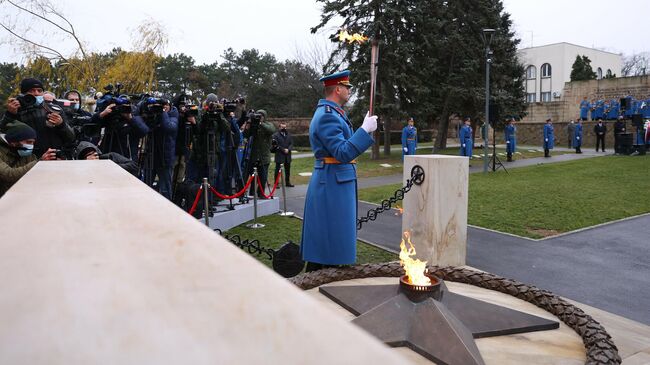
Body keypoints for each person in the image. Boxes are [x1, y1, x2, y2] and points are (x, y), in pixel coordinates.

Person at [300, 70, 377, 272]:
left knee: (332, 239)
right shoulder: (328, 117)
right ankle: (318, 282)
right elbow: (342, 152)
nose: (349, 91)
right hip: (332, 182)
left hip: (336, 181)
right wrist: (364, 131)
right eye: (347, 87)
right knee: (328, 240)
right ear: (337, 89)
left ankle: (324, 276)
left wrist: (362, 129)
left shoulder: (333, 114)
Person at [1, 78, 75, 157]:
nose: (36, 93)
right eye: (31, 91)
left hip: (54, 157)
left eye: (39, 91)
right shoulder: (16, 110)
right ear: (23, 94)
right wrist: (10, 114)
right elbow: (4, 134)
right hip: (28, 160)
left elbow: (71, 138)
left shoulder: (55, 109)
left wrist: (61, 124)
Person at [134, 97, 179, 200]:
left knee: (165, 189)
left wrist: (162, 113)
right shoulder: (152, 115)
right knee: (146, 186)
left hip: (165, 158)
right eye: (161, 106)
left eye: (165, 106)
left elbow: (168, 127)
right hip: (150, 156)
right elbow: (142, 127)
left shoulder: (173, 116)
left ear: (170, 106)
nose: (164, 108)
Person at [0, 121, 57, 197]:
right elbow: (9, 175)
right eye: (28, 142)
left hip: (20, 196)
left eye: (33, 143)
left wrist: (51, 165)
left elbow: (36, 178)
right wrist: (39, 163)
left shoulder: (27, 154)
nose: (31, 146)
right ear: (14, 141)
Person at [242, 109, 276, 197]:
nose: (259, 117)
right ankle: (252, 194)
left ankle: (261, 194)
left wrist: (261, 123)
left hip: (264, 156)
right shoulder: (254, 126)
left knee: (263, 177)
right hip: (254, 156)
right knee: (253, 177)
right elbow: (246, 135)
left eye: (261, 116)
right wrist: (248, 125)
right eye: (258, 116)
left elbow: (271, 130)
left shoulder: (268, 124)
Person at [75, 141, 139, 176]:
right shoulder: (81, 170)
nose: (93, 156)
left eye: (94, 153)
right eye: (89, 155)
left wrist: (110, 167)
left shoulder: (111, 157)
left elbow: (134, 166)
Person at [272, 121, 294, 187]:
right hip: (279, 154)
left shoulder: (289, 134)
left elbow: (291, 143)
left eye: (285, 127)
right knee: (277, 170)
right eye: (282, 127)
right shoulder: (275, 135)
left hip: (288, 155)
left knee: (288, 170)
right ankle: (276, 184)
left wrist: (288, 149)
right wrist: (283, 149)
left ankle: (287, 182)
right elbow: (276, 145)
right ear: (279, 127)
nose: (284, 128)